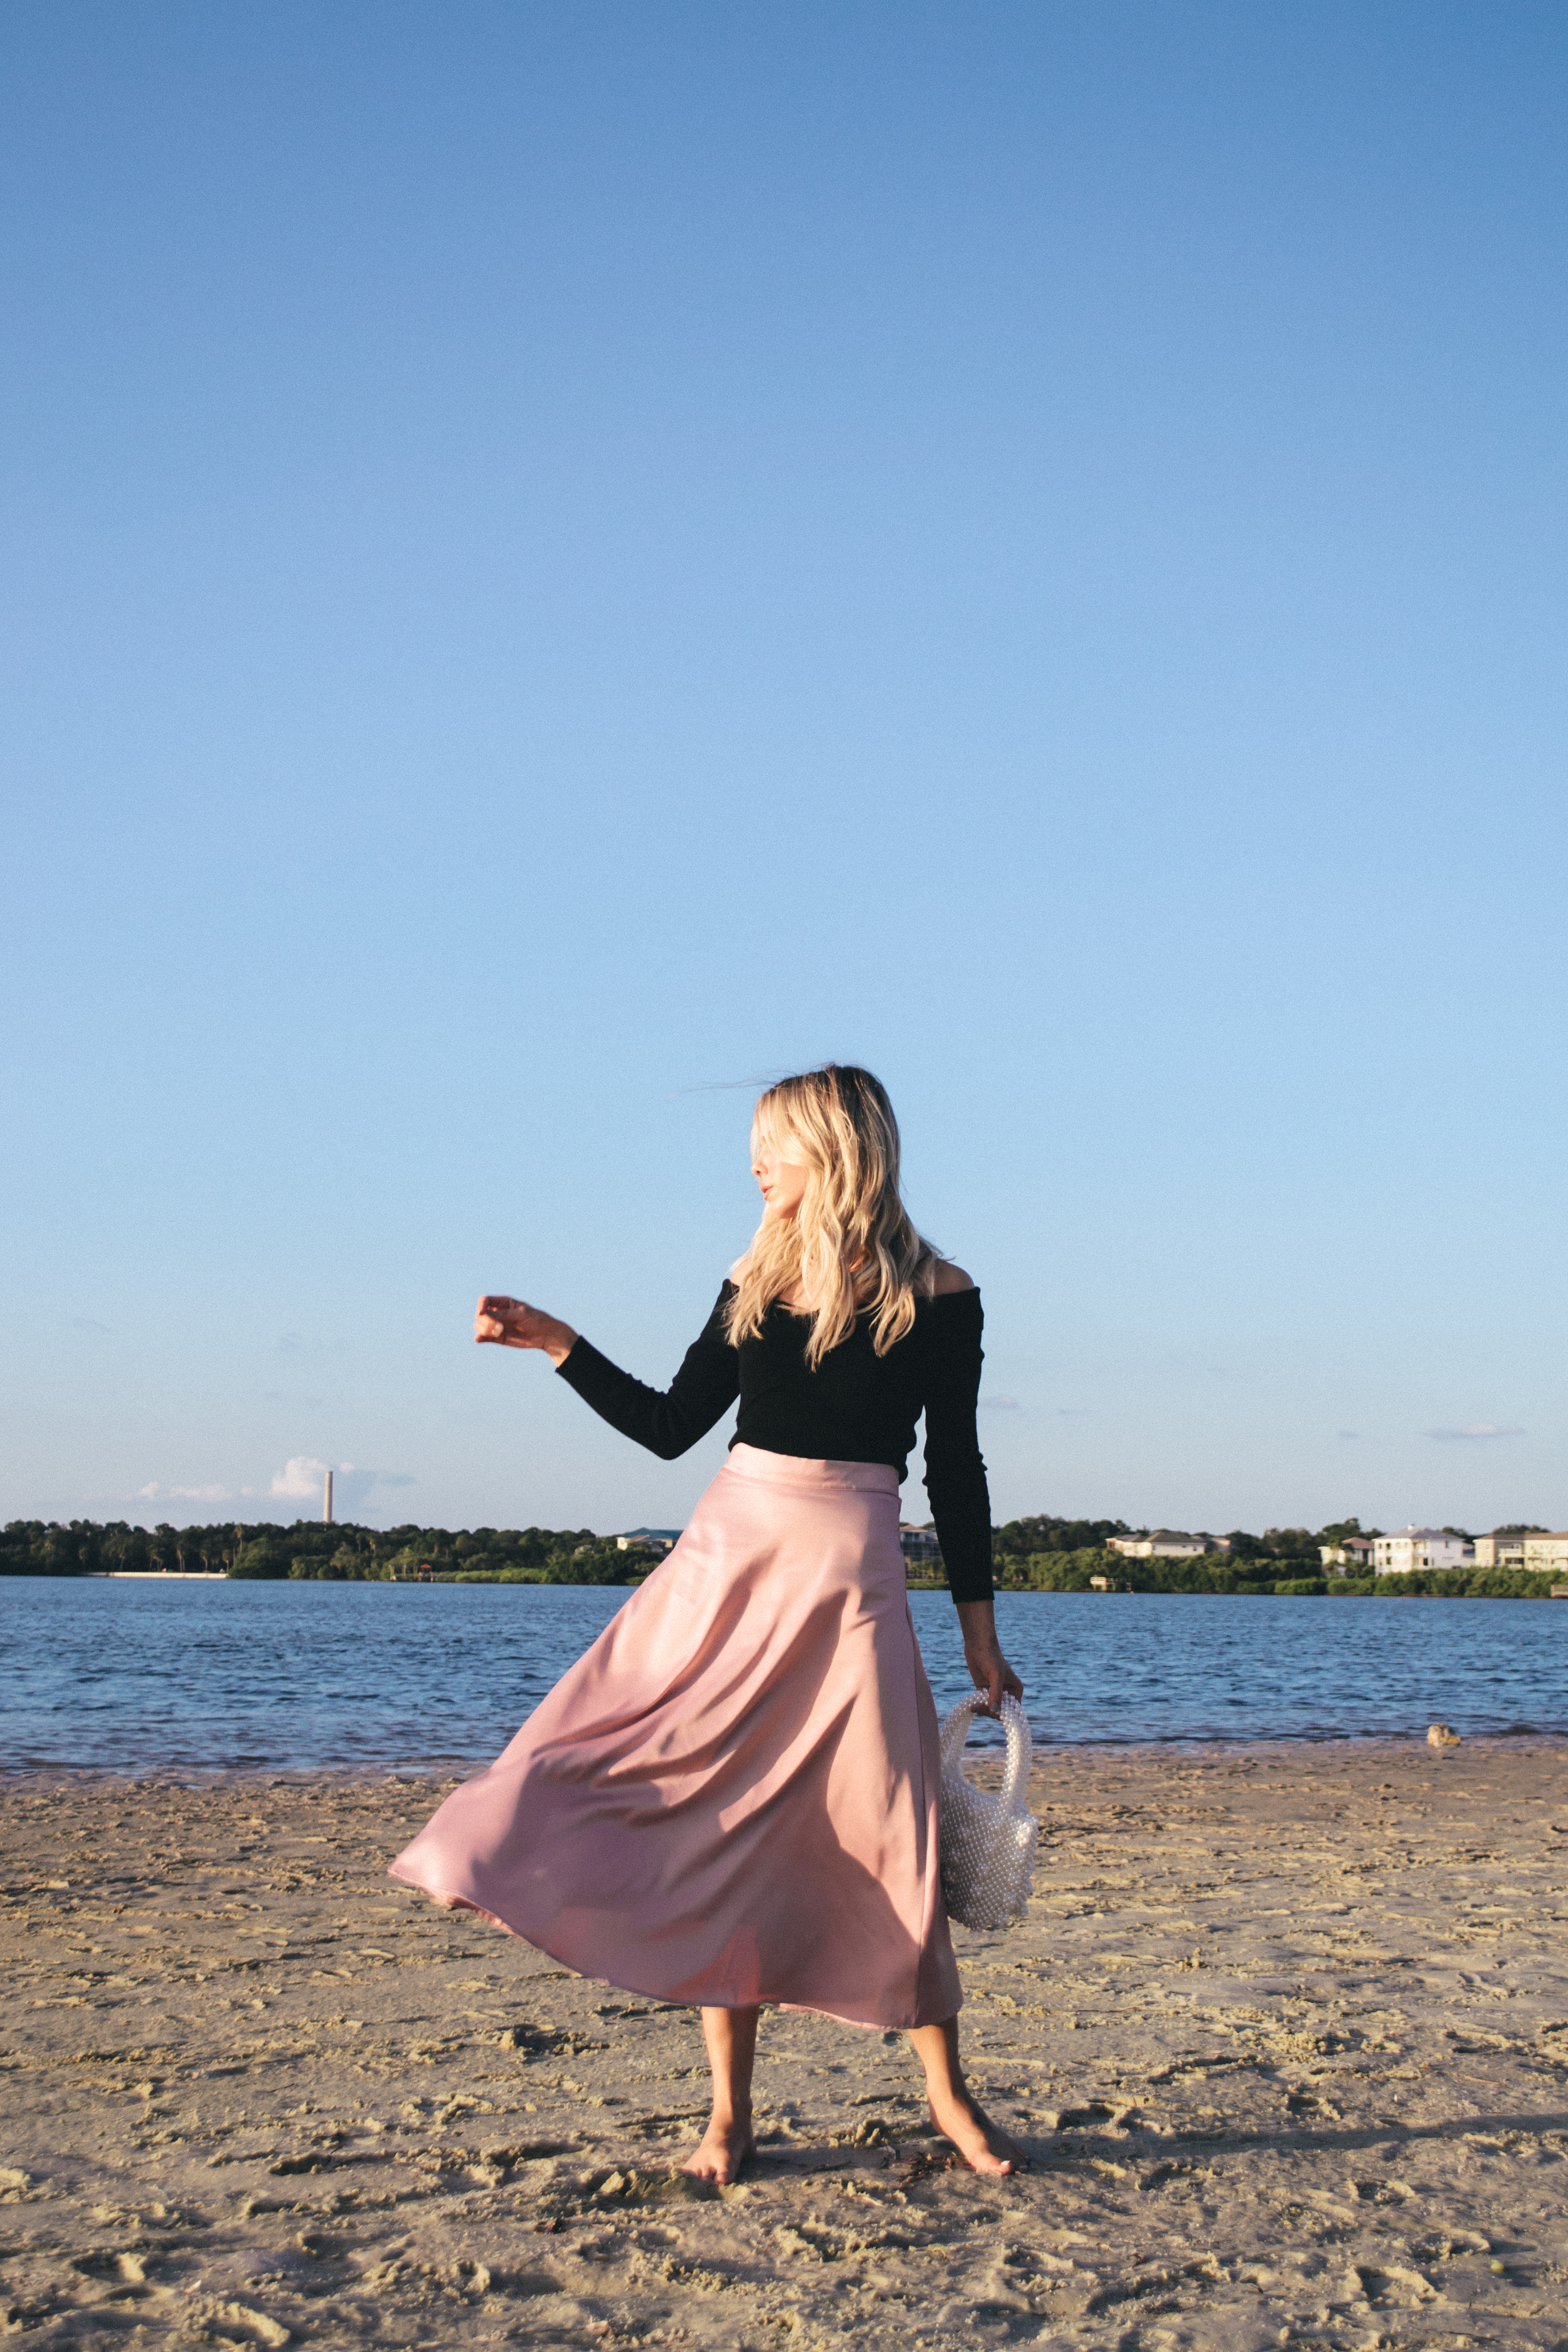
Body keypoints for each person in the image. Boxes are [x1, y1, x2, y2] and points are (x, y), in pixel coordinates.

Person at [389, 1063, 1026, 2181]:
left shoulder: (943, 1294)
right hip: (726, 1574)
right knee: (706, 1817)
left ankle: (950, 2097)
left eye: (770, 1146)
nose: (754, 1165)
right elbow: (672, 1426)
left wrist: (979, 1628)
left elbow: (959, 1473)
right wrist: (556, 1341)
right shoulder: (752, 1280)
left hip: (854, 1595)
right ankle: (728, 2116)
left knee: (893, 1834)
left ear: (831, 1153)